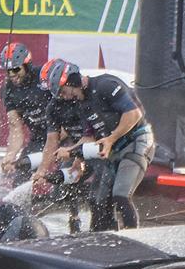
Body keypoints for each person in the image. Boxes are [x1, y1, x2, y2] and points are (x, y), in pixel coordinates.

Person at [37, 60, 155, 229]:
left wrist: (111, 138)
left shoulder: (105, 85)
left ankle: (133, 242)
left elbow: (133, 113)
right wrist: (75, 155)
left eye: (63, 91)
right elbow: (88, 137)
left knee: (120, 196)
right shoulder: (83, 103)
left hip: (136, 142)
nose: (63, 96)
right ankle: (106, 241)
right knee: (98, 201)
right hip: (113, 149)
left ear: (72, 81)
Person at [0, 43, 52, 185]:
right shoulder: (7, 90)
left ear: (26, 65)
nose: (12, 75)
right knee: (19, 180)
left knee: (63, 182)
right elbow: (15, 127)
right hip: (40, 139)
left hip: (65, 135)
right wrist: (10, 155)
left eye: (16, 69)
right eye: (7, 71)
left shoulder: (44, 76)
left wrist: (57, 140)